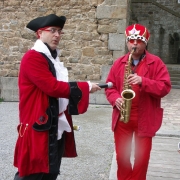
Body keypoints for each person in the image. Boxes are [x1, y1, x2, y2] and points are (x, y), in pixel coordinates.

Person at [13, 14, 101, 180]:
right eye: (52, 30)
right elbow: (52, 87)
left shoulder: (51, 57)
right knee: (32, 172)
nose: (57, 35)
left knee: (50, 171)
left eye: (60, 31)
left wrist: (84, 86)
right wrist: (85, 87)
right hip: (37, 124)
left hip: (53, 124)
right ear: (39, 33)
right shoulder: (33, 57)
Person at [105, 24, 171, 180]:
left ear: (145, 42)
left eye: (139, 40)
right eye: (131, 40)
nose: (134, 44)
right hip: (123, 116)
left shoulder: (156, 63)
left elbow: (165, 87)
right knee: (122, 157)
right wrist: (116, 99)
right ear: (127, 42)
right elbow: (109, 87)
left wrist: (144, 81)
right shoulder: (119, 63)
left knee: (142, 158)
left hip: (145, 117)